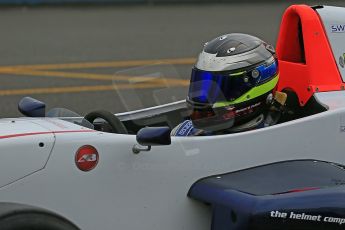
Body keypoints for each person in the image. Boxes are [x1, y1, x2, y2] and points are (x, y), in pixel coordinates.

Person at [171, 33, 287, 136]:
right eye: (202, 84)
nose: (204, 99)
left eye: (223, 89)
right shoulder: (184, 134)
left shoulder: (282, 135)